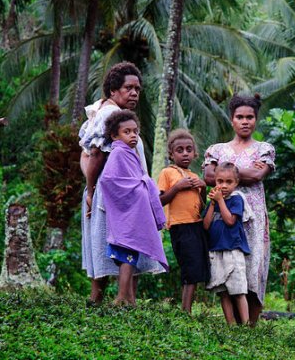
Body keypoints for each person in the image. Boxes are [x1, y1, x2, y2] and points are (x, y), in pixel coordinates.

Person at [79, 61, 164, 304]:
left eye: (138, 88)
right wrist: (92, 189)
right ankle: (103, 300)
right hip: (114, 194)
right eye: (129, 88)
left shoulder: (111, 114)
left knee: (120, 243)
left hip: (122, 193)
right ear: (113, 91)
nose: (135, 93)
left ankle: (123, 299)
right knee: (114, 242)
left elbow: (87, 154)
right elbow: (93, 154)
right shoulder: (109, 114)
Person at [203, 94, 275, 325]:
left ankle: (251, 325)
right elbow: (207, 176)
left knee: (254, 266)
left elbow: (257, 175)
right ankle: (232, 324)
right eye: (239, 117)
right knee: (229, 267)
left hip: (253, 220)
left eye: (250, 117)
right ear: (231, 119)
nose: (245, 121)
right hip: (222, 219)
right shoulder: (217, 149)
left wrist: (224, 173)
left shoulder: (264, 148)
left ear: (256, 119)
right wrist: (243, 171)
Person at [100, 110, 169, 306]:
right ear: (115, 135)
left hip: (134, 213)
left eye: (135, 132)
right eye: (127, 132)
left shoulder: (129, 152)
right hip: (127, 215)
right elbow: (108, 180)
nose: (132, 136)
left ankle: (129, 298)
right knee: (127, 257)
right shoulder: (119, 152)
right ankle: (122, 297)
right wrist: (138, 187)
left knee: (129, 256)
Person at [158, 129, 209, 313]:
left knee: (196, 267)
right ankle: (185, 310)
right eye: (180, 150)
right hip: (180, 226)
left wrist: (203, 187)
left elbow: (201, 206)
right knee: (189, 267)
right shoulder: (168, 172)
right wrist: (178, 187)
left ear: (195, 153)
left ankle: (187, 308)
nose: (185, 153)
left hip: (196, 225)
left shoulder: (194, 176)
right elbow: (161, 200)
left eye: (189, 149)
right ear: (171, 154)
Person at [203, 163, 251, 325]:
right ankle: (230, 325)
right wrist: (213, 203)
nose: (223, 185)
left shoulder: (237, 199)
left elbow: (230, 221)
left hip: (233, 250)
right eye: (220, 181)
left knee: (238, 290)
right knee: (222, 291)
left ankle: (244, 324)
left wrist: (220, 201)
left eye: (228, 182)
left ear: (236, 183)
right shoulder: (213, 200)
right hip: (216, 250)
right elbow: (206, 225)